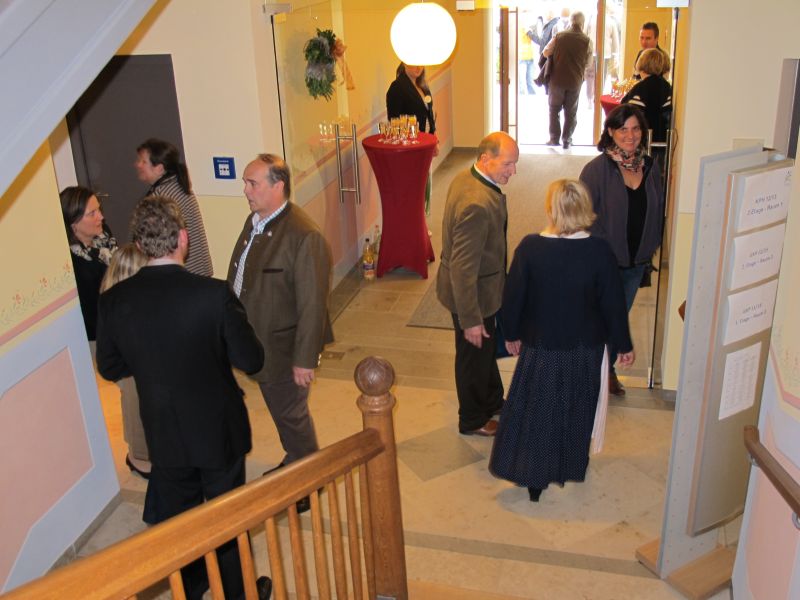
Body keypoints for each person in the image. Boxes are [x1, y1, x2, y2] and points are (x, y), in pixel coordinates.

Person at [96, 196, 269, 600]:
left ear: (141, 245)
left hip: (163, 429)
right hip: (218, 428)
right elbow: (251, 359)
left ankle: (192, 585)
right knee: (227, 519)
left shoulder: (114, 301)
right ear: (184, 239)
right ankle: (238, 593)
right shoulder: (213, 294)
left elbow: (110, 366)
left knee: (181, 519)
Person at [490, 179, 634, 502]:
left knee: (539, 410)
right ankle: (569, 465)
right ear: (586, 209)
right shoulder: (599, 251)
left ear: (551, 209)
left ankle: (534, 480)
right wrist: (623, 345)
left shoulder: (530, 247)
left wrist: (510, 334)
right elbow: (613, 304)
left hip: (542, 347)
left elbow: (513, 298)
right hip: (586, 348)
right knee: (577, 408)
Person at [227, 154, 333, 501]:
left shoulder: (304, 235)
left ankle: (310, 481)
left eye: (252, 183)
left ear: (278, 186)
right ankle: (295, 458)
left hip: (284, 350)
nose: (245, 190)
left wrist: (305, 359)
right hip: (258, 343)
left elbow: (313, 304)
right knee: (282, 413)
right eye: (245, 182)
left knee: (291, 415)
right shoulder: (257, 220)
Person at [436, 132, 519, 437]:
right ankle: (472, 419)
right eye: (508, 164)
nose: (513, 171)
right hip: (472, 297)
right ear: (486, 159)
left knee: (484, 351)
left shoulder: (466, 177)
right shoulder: (477, 204)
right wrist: (470, 319)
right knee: (472, 357)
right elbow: (463, 268)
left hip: (482, 291)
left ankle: (493, 401)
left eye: (514, 163)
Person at [579, 104, 664, 396]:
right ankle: (594, 374)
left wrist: (651, 244)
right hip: (605, 263)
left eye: (636, 128)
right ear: (611, 132)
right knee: (600, 319)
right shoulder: (596, 170)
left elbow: (657, 208)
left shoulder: (650, 166)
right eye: (623, 129)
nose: (630, 135)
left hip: (636, 262)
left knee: (618, 318)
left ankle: (607, 370)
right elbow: (583, 216)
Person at [99, 243, 150, 478]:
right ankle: (139, 457)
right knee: (135, 408)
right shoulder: (115, 307)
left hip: (139, 370)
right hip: (130, 372)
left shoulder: (114, 300)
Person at [135, 138, 213, 277]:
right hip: (198, 268)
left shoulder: (161, 197)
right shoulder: (177, 185)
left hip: (184, 270)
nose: (138, 165)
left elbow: (154, 239)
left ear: (159, 168)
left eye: (143, 161)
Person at [60, 185, 117, 344]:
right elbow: (91, 312)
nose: (101, 217)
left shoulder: (104, 234)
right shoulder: (74, 263)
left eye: (99, 209)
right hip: (99, 335)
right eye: (92, 213)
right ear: (73, 224)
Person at [386, 62, 438, 216]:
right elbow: (394, 121)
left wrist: (434, 138)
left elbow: (429, 114)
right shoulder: (397, 88)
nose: (418, 67)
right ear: (404, 63)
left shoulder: (423, 86)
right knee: (414, 188)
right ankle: (415, 219)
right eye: (413, 63)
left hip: (426, 143)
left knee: (425, 185)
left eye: (421, 63)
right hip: (411, 148)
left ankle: (421, 218)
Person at [542, 11, 592, 149]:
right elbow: (588, 63)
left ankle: (554, 138)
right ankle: (567, 140)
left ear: (571, 21)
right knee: (571, 112)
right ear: (582, 23)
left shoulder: (559, 36)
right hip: (575, 81)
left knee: (554, 109)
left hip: (557, 80)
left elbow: (546, 52)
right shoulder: (587, 41)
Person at [621, 48, 673, 146]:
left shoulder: (640, 88)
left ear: (641, 63)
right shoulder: (667, 87)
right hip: (662, 139)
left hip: (640, 140)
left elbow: (628, 114)